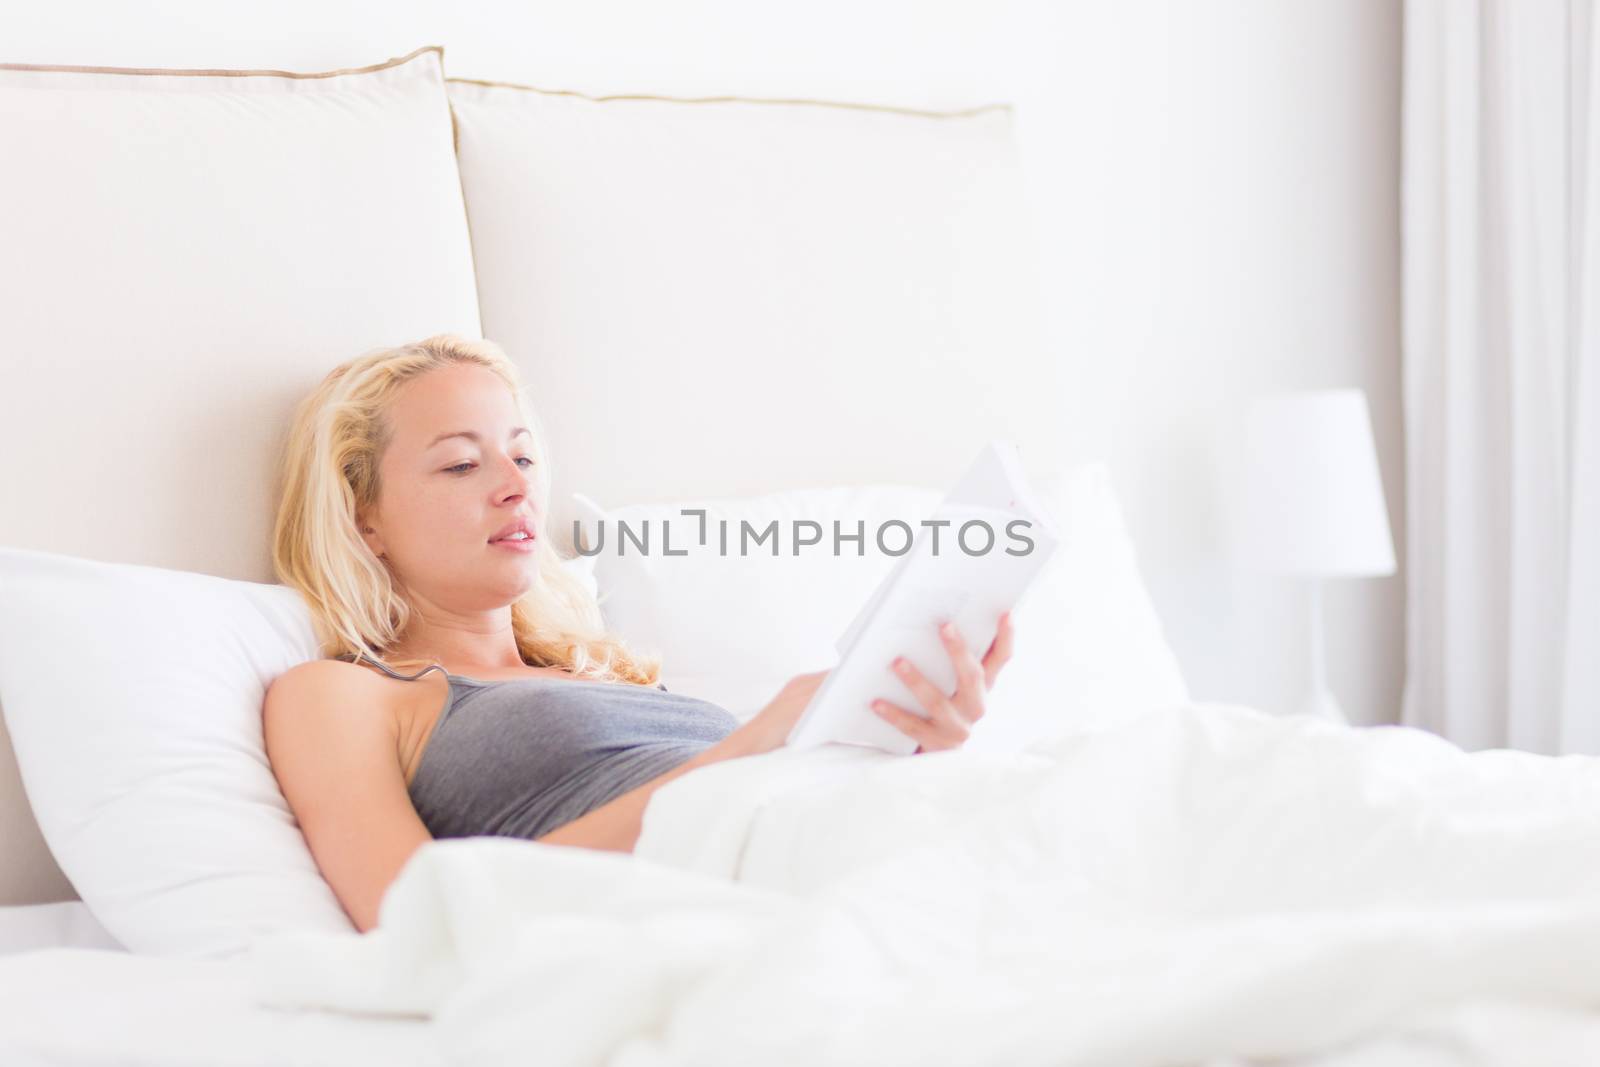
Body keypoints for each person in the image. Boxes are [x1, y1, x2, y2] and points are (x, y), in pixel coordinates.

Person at [263, 334, 1016, 933]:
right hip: (755, 892)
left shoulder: (606, 670)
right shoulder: (342, 693)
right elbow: (414, 921)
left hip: (855, 839)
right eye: (462, 463)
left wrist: (903, 738)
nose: (516, 483)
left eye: (523, 454)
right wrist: (745, 749)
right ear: (364, 519)